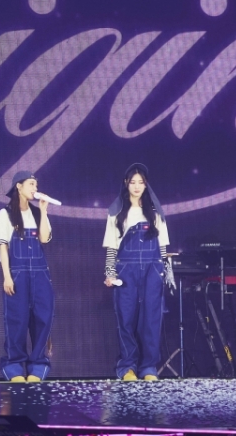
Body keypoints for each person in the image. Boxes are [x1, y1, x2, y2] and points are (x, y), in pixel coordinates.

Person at [103, 163, 170, 381]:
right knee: (126, 318)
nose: (137, 186)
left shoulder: (155, 212)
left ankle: (148, 367)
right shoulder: (116, 212)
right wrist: (109, 273)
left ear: (146, 184)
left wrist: (166, 271)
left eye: (141, 182)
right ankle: (127, 367)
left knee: (151, 319)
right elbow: (112, 248)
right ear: (126, 183)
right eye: (133, 182)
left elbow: (163, 247)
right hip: (126, 271)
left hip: (152, 270)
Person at [0, 170, 53, 382]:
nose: (35, 189)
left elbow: (45, 239)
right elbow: (3, 247)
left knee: (42, 319)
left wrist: (44, 211)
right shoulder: (6, 214)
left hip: (41, 275)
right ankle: (14, 367)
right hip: (17, 275)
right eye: (31, 184)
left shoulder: (37, 213)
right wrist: (7, 276)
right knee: (17, 321)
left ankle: (38, 367)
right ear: (18, 186)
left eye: (36, 185)